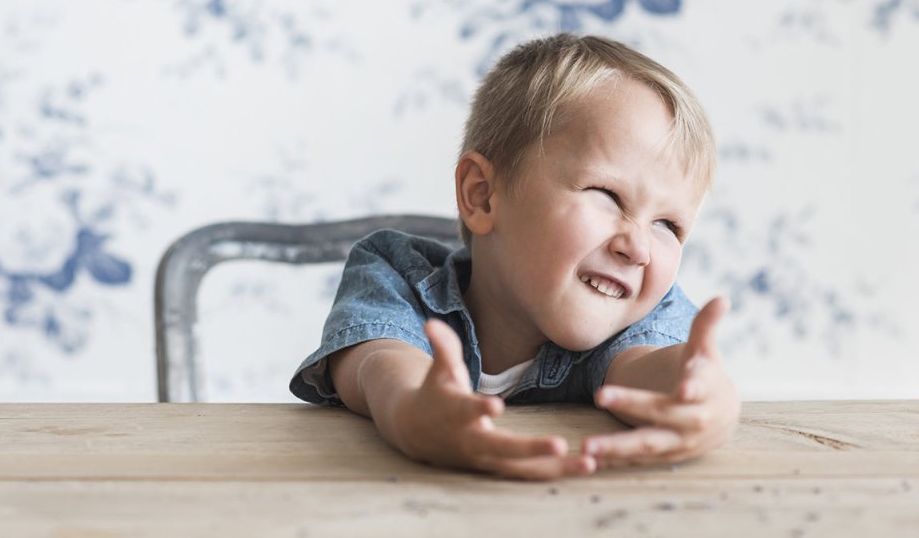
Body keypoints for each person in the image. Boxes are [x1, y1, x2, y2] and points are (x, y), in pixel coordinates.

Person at [289, 32, 739, 480]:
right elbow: (377, 364)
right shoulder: (397, 277)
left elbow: (649, 366)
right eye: (607, 195)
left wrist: (704, 395)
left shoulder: (640, 317)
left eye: (668, 226)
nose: (638, 248)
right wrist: (412, 408)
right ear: (483, 196)